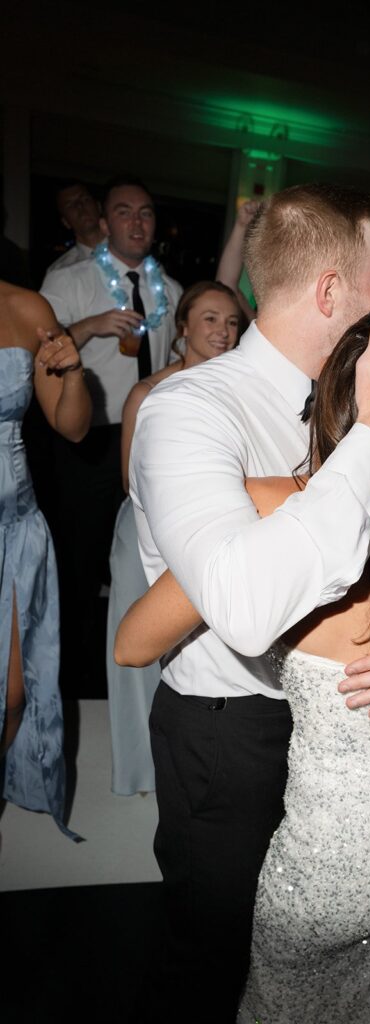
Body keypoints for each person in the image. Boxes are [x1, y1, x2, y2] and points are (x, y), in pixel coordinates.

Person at [128, 182, 370, 1019]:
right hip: (233, 730)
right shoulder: (193, 410)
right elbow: (246, 610)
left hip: (349, 748)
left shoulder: (364, 401)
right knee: (215, 966)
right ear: (331, 292)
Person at [40, 176, 182, 687]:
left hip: (151, 437)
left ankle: (132, 664)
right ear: (103, 223)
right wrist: (90, 325)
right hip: (90, 436)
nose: (137, 222)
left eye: (145, 212)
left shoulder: (170, 289)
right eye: (124, 212)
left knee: (141, 553)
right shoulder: (70, 281)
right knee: (79, 558)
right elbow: (42, 350)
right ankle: (74, 674)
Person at [106, 282, 240, 796]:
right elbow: (128, 481)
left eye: (231, 322)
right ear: (183, 326)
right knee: (139, 648)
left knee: (202, 656)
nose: (222, 332)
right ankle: (140, 771)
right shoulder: (148, 393)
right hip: (143, 531)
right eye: (209, 319)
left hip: (210, 537)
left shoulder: (238, 392)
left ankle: (187, 763)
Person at [0, 279, 91, 834]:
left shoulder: (26, 306)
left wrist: (73, 371)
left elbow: (72, 426)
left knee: (13, 697)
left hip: (15, 529)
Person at [42, 181, 104, 283]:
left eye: (85, 199)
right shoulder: (58, 272)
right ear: (65, 222)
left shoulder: (129, 251)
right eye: (70, 205)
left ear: (98, 206)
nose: (80, 206)